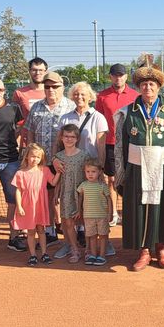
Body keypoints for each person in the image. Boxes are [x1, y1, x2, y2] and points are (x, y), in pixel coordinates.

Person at [115, 62, 164, 272]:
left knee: (163, 208)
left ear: (159, 87)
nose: (148, 88)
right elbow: (120, 144)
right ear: (139, 87)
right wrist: (121, 172)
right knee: (140, 209)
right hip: (137, 168)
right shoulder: (127, 112)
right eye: (144, 84)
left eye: (152, 84)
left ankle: (162, 248)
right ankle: (144, 251)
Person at [55, 81, 108, 253]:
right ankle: (70, 245)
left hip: (89, 170)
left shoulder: (98, 117)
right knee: (68, 207)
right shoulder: (65, 117)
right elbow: (58, 143)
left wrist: (100, 169)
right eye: (76, 94)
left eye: (83, 94)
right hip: (69, 169)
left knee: (90, 208)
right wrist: (55, 160)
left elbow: (100, 145)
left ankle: (98, 244)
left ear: (90, 97)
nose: (79, 97)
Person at [24, 71, 75, 245]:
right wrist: (31, 153)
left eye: (55, 86)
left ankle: (75, 231)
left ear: (62, 87)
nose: (51, 89)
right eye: (47, 86)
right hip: (42, 161)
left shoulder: (70, 106)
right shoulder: (36, 107)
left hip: (63, 159)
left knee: (65, 195)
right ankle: (50, 230)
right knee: (45, 196)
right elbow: (29, 130)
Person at [0, 77, 25, 257]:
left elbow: (19, 128)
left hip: (11, 161)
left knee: (13, 201)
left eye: (0, 89)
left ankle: (13, 238)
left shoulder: (14, 109)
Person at [96, 63, 139, 227]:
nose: (118, 78)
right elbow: (99, 120)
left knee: (130, 179)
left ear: (126, 77)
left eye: (121, 75)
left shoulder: (136, 95)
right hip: (110, 144)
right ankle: (113, 213)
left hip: (131, 143)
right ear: (110, 77)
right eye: (115, 75)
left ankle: (130, 211)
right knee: (113, 179)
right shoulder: (102, 96)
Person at [12, 143, 60, 266]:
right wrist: (19, 206)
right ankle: (33, 255)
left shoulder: (45, 170)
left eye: (38, 157)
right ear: (27, 156)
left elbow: (53, 183)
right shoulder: (20, 173)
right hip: (28, 206)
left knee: (42, 230)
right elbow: (18, 190)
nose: (35, 159)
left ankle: (44, 254)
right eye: (33, 156)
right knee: (31, 232)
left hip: (40, 205)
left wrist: (59, 172)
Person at [52, 124, 90, 263]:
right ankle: (74, 249)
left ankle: (89, 250)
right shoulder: (58, 157)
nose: (69, 139)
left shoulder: (84, 155)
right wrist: (56, 194)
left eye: (72, 137)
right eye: (66, 136)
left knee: (86, 222)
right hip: (66, 194)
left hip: (82, 193)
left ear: (77, 138)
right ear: (62, 138)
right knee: (68, 222)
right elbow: (59, 177)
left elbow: (90, 175)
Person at [76, 158, 112, 266]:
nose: (90, 174)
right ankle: (92, 254)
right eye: (88, 172)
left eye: (93, 172)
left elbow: (109, 200)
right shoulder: (83, 185)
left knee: (102, 236)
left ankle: (102, 256)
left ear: (99, 172)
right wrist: (79, 210)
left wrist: (110, 213)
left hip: (102, 216)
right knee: (91, 236)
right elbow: (80, 198)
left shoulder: (103, 186)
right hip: (88, 216)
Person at [12, 57, 48, 150]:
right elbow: (15, 121)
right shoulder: (19, 93)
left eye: (41, 70)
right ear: (29, 71)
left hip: (48, 143)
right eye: (34, 70)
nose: (38, 73)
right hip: (27, 144)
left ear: (46, 71)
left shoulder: (51, 92)